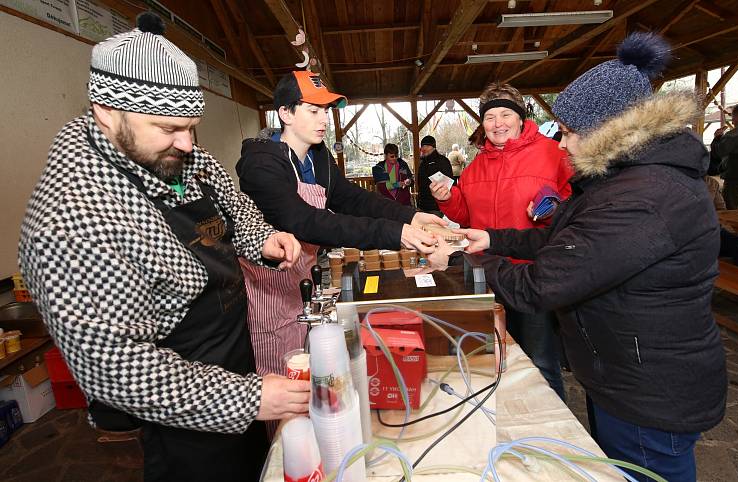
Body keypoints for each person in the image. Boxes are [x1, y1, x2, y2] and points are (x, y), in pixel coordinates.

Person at [17, 13, 308, 481]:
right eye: (169, 128)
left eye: (191, 127)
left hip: (236, 363)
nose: (188, 143)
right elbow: (119, 367)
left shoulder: (176, 154)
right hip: (171, 416)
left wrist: (263, 239)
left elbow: (233, 207)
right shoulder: (71, 221)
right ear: (106, 112)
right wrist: (250, 399)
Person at [430, 32, 726, 481]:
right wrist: (490, 240)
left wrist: (457, 258)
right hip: (623, 374)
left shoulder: (642, 197)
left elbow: (542, 283)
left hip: (648, 391)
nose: (562, 144)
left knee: (642, 470)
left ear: (608, 130)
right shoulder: (625, 182)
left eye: (568, 132)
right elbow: (566, 237)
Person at [235, 71, 443, 376]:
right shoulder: (261, 164)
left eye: (326, 111)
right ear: (285, 113)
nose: (324, 120)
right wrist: (394, 233)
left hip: (302, 278)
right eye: (313, 110)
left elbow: (353, 199)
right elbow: (305, 221)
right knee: (283, 372)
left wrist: (409, 216)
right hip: (269, 289)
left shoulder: (317, 156)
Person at [429, 82, 573, 400]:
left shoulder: (553, 154)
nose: (498, 123)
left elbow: (576, 208)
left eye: (506, 114)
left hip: (533, 278)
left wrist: (552, 208)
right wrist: (448, 197)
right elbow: (465, 216)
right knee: (494, 361)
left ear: (521, 117)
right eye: (490, 117)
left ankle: (554, 438)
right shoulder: (476, 165)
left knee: (540, 364)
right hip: (489, 278)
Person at [415, 135, 453, 216]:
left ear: (434, 147)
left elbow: (449, 182)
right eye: (423, 146)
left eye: (427, 146)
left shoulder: (442, 161)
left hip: (436, 206)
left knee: (433, 228)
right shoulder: (423, 163)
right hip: (422, 205)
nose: (424, 148)